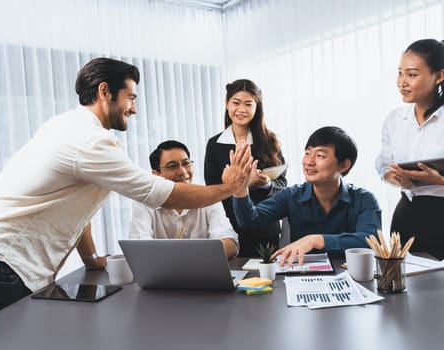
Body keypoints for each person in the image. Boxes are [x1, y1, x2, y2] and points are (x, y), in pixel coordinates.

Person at [0, 58, 256, 328]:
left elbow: (75, 207)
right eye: (130, 97)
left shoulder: (63, 126)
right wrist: (231, 187)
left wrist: (90, 258)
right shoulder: (91, 141)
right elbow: (164, 194)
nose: (134, 108)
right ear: (105, 92)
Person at [375, 39, 444, 278]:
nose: (402, 83)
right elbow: (383, 163)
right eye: (400, 73)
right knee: (401, 296)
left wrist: (440, 179)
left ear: (439, 76)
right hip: (405, 217)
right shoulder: (394, 119)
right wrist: (397, 179)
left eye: (412, 75)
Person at [232, 126, 381, 266]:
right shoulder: (291, 195)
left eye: (320, 155)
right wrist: (240, 189)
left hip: (350, 277)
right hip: (302, 276)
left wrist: (316, 240)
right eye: (307, 153)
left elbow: (370, 241)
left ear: (343, 165)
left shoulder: (365, 199)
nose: (309, 162)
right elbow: (250, 221)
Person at [204, 79, 287, 257]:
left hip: (265, 227)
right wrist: (239, 184)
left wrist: (264, 184)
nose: (241, 109)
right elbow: (211, 190)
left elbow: (282, 186)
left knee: (266, 280)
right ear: (227, 104)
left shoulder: (269, 141)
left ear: (257, 108)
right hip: (229, 229)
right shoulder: (214, 144)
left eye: (248, 104)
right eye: (236, 103)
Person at [129, 140, 239, 258]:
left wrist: (179, 258)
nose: (182, 171)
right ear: (156, 174)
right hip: (163, 275)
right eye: (172, 166)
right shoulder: (143, 202)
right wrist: (197, 255)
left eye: (186, 163)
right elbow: (139, 249)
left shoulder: (208, 197)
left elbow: (230, 245)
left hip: (203, 273)